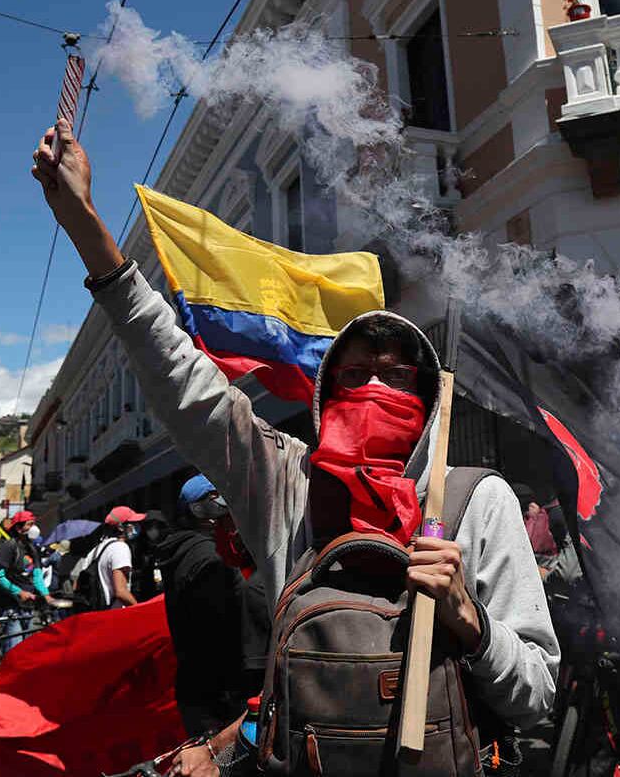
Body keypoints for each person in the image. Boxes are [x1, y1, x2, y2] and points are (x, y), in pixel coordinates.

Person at [33, 120, 558, 770]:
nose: (373, 390)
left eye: (396, 376)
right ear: (325, 393)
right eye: (353, 374)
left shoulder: (478, 499)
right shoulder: (288, 483)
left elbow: (537, 693)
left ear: (426, 395)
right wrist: (88, 231)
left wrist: (470, 620)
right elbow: (179, 376)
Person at [155, 476, 254, 736]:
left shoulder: (185, 549)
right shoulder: (209, 559)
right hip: (219, 696)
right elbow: (220, 630)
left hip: (198, 688)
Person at [0, 510, 51, 651]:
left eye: (33, 524)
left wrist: (46, 595)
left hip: (29, 607)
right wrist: (19, 592)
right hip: (11, 607)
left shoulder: (32, 549)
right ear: (19, 528)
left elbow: (37, 574)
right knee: (15, 649)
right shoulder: (9, 546)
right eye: (30, 524)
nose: (33, 528)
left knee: (28, 650)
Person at [72, 507, 141, 611]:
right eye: (133, 522)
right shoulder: (120, 548)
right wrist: (139, 610)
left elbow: (76, 585)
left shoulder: (96, 550)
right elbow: (121, 592)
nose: (137, 526)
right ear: (121, 527)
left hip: (97, 614)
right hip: (115, 614)